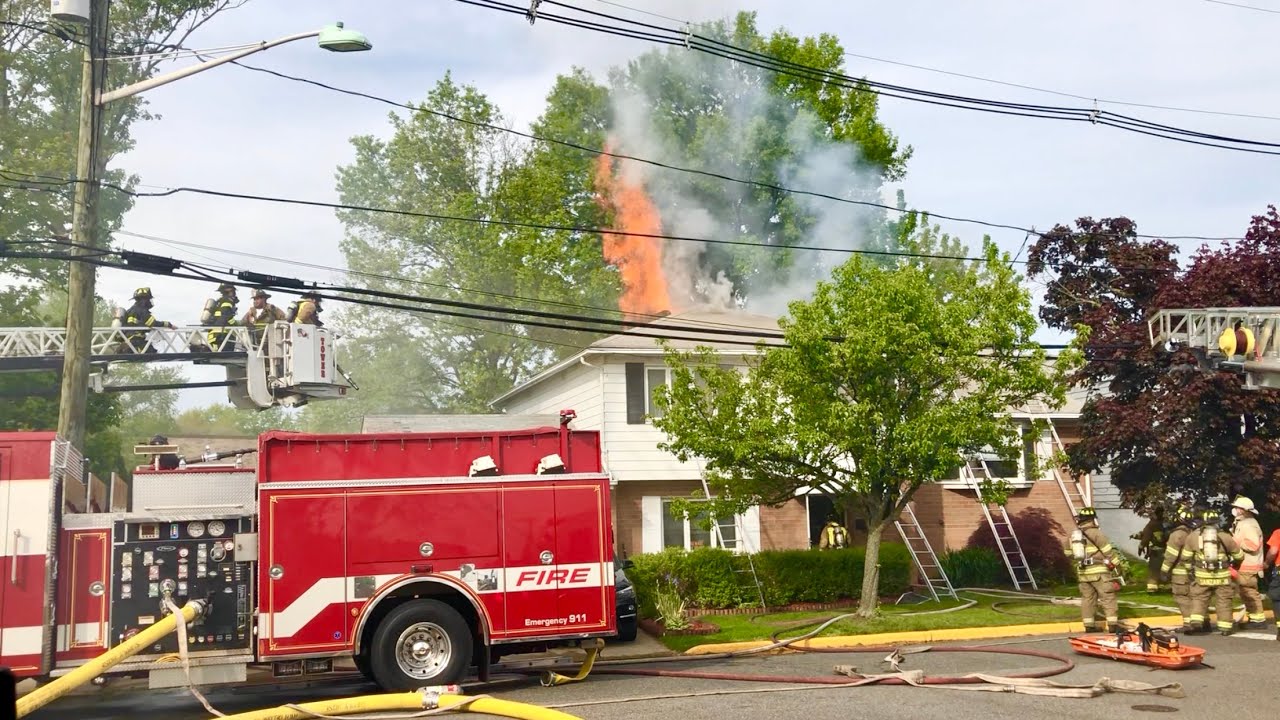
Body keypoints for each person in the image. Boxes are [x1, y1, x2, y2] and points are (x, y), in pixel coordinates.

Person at [1185, 506, 1244, 635]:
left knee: (1199, 599)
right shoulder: (1225, 536)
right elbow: (1239, 555)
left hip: (1202, 576)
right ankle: (1225, 628)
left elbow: (1185, 557)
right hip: (1222, 576)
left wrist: (1189, 571)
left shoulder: (1193, 537)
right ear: (1217, 521)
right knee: (1224, 601)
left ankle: (1196, 623)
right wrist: (1234, 563)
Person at [1064, 506, 1124, 632]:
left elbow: (1068, 553)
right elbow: (1108, 552)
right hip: (1099, 572)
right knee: (1108, 597)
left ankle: (1089, 626)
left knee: (1087, 599)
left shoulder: (1074, 536)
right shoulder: (1096, 533)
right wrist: (1118, 565)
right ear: (1092, 519)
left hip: (1083, 573)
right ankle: (1113, 625)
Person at [1228, 495, 1268, 629]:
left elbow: (1253, 545)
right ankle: (1255, 618)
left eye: (1237, 508)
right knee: (1245, 592)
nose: (1235, 510)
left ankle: (1258, 620)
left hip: (1249, 565)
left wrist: (1235, 542)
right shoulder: (1242, 523)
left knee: (1249, 592)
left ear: (1243, 510)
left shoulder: (1249, 524)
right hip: (1244, 564)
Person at [1159, 502, 1196, 631]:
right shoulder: (1195, 533)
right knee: (1197, 598)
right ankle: (1202, 621)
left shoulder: (1177, 535)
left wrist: (1164, 571)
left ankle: (1188, 624)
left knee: (1182, 597)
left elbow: (1171, 555)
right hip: (1196, 571)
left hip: (1181, 573)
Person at [118, 287, 172, 352]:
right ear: (144, 300)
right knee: (153, 354)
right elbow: (153, 323)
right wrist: (169, 324)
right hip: (137, 341)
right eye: (149, 299)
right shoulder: (141, 310)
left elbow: (139, 326)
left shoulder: (130, 310)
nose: (150, 301)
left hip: (128, 341)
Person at [1132, 504, 1167, 592]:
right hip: (1167, 550)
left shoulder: (1152, 524)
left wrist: (1141, 547)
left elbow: (1146, 537)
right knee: (1166, 568)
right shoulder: (1166, 524)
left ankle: (1152, 588)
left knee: (1154, 569)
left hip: (1155, 552)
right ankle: (1166, 584)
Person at [204, 283, 239, 351]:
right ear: (229, 291)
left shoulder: (218, 303)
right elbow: (228, 318)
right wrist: (238, 324)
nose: (234, 294)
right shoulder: (227, 302)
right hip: (222, 338)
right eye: (233, 292)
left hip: (213, 338)